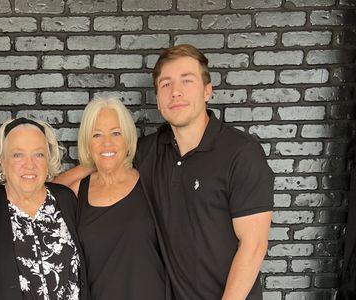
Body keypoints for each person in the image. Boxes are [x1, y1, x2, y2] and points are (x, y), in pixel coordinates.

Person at [56, 44, 273, 300]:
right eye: (166, 84)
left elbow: (254, 246)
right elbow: (102, 162)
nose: (176, 92)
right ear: (158, 99)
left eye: (187, 81)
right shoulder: (150, 152)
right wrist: (97, 158)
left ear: (207, 90)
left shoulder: (241, 153)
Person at [72, 97, 168, 299]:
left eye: (116, 133)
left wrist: (106, 156)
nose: (107, 142)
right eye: (97, 135)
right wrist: (97, 161)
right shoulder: (76, 191)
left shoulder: (151, 183)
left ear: (128, 138)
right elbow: (43, 193)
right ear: (86, 142)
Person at [0, 118, 89, 300]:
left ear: (48, 159)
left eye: (38, 154)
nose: (30, 164)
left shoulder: (65, 199)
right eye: (18, 155)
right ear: (2, 161)